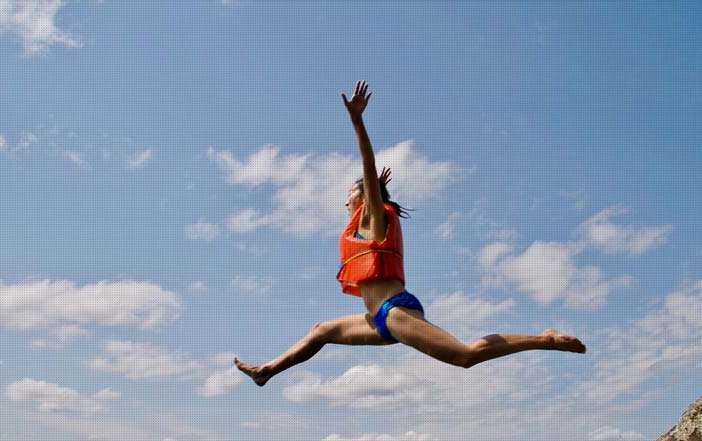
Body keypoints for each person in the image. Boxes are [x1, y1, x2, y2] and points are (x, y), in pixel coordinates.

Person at [235, 81, 585, 387]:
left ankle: (546, 339)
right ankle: (266, 371)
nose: (344, 200)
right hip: (376, 320)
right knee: (321, 331)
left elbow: (367, 169)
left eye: (349, 193)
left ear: (362, 196)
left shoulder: (372, 213)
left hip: (393, 312)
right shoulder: (368, 217)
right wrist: (377, 188)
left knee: (466, 356)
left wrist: (357, 121)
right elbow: (370, 186)